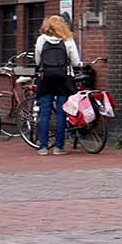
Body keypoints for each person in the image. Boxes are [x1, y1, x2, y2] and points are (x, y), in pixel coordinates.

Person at [32, 15, 81, 155]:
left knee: (45, 112)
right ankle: (59, 147)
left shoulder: (41, 39)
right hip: (63, 80)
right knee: (61, 112)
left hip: (46, 79)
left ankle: (43, 147)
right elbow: (76, 62)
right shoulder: (68, 40)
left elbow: (37, 60)